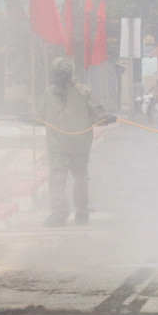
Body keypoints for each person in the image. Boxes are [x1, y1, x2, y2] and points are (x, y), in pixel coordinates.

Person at [31, 57, 116, 227]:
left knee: (80, 179)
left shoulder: (84, 92)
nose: (57, 78)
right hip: (57, 146)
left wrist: (105, 118)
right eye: (55, 74)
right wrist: (30, 119)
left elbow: (97, 113)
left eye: (60, 74)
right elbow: (40, 117)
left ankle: (82, 211)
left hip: (79, 145)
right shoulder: (48, 93)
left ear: (69, 74)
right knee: (56, 180)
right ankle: (59, 212)